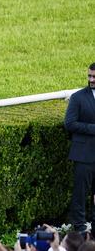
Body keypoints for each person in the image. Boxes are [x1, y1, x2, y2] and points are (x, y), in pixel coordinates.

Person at [64, 62, 95, 232]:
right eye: (89, 76)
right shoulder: (78, 97)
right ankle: (79, 226)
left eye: (94, 77)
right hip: (83, 154)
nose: (91, 80)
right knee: (80, 193)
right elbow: (69, 124)